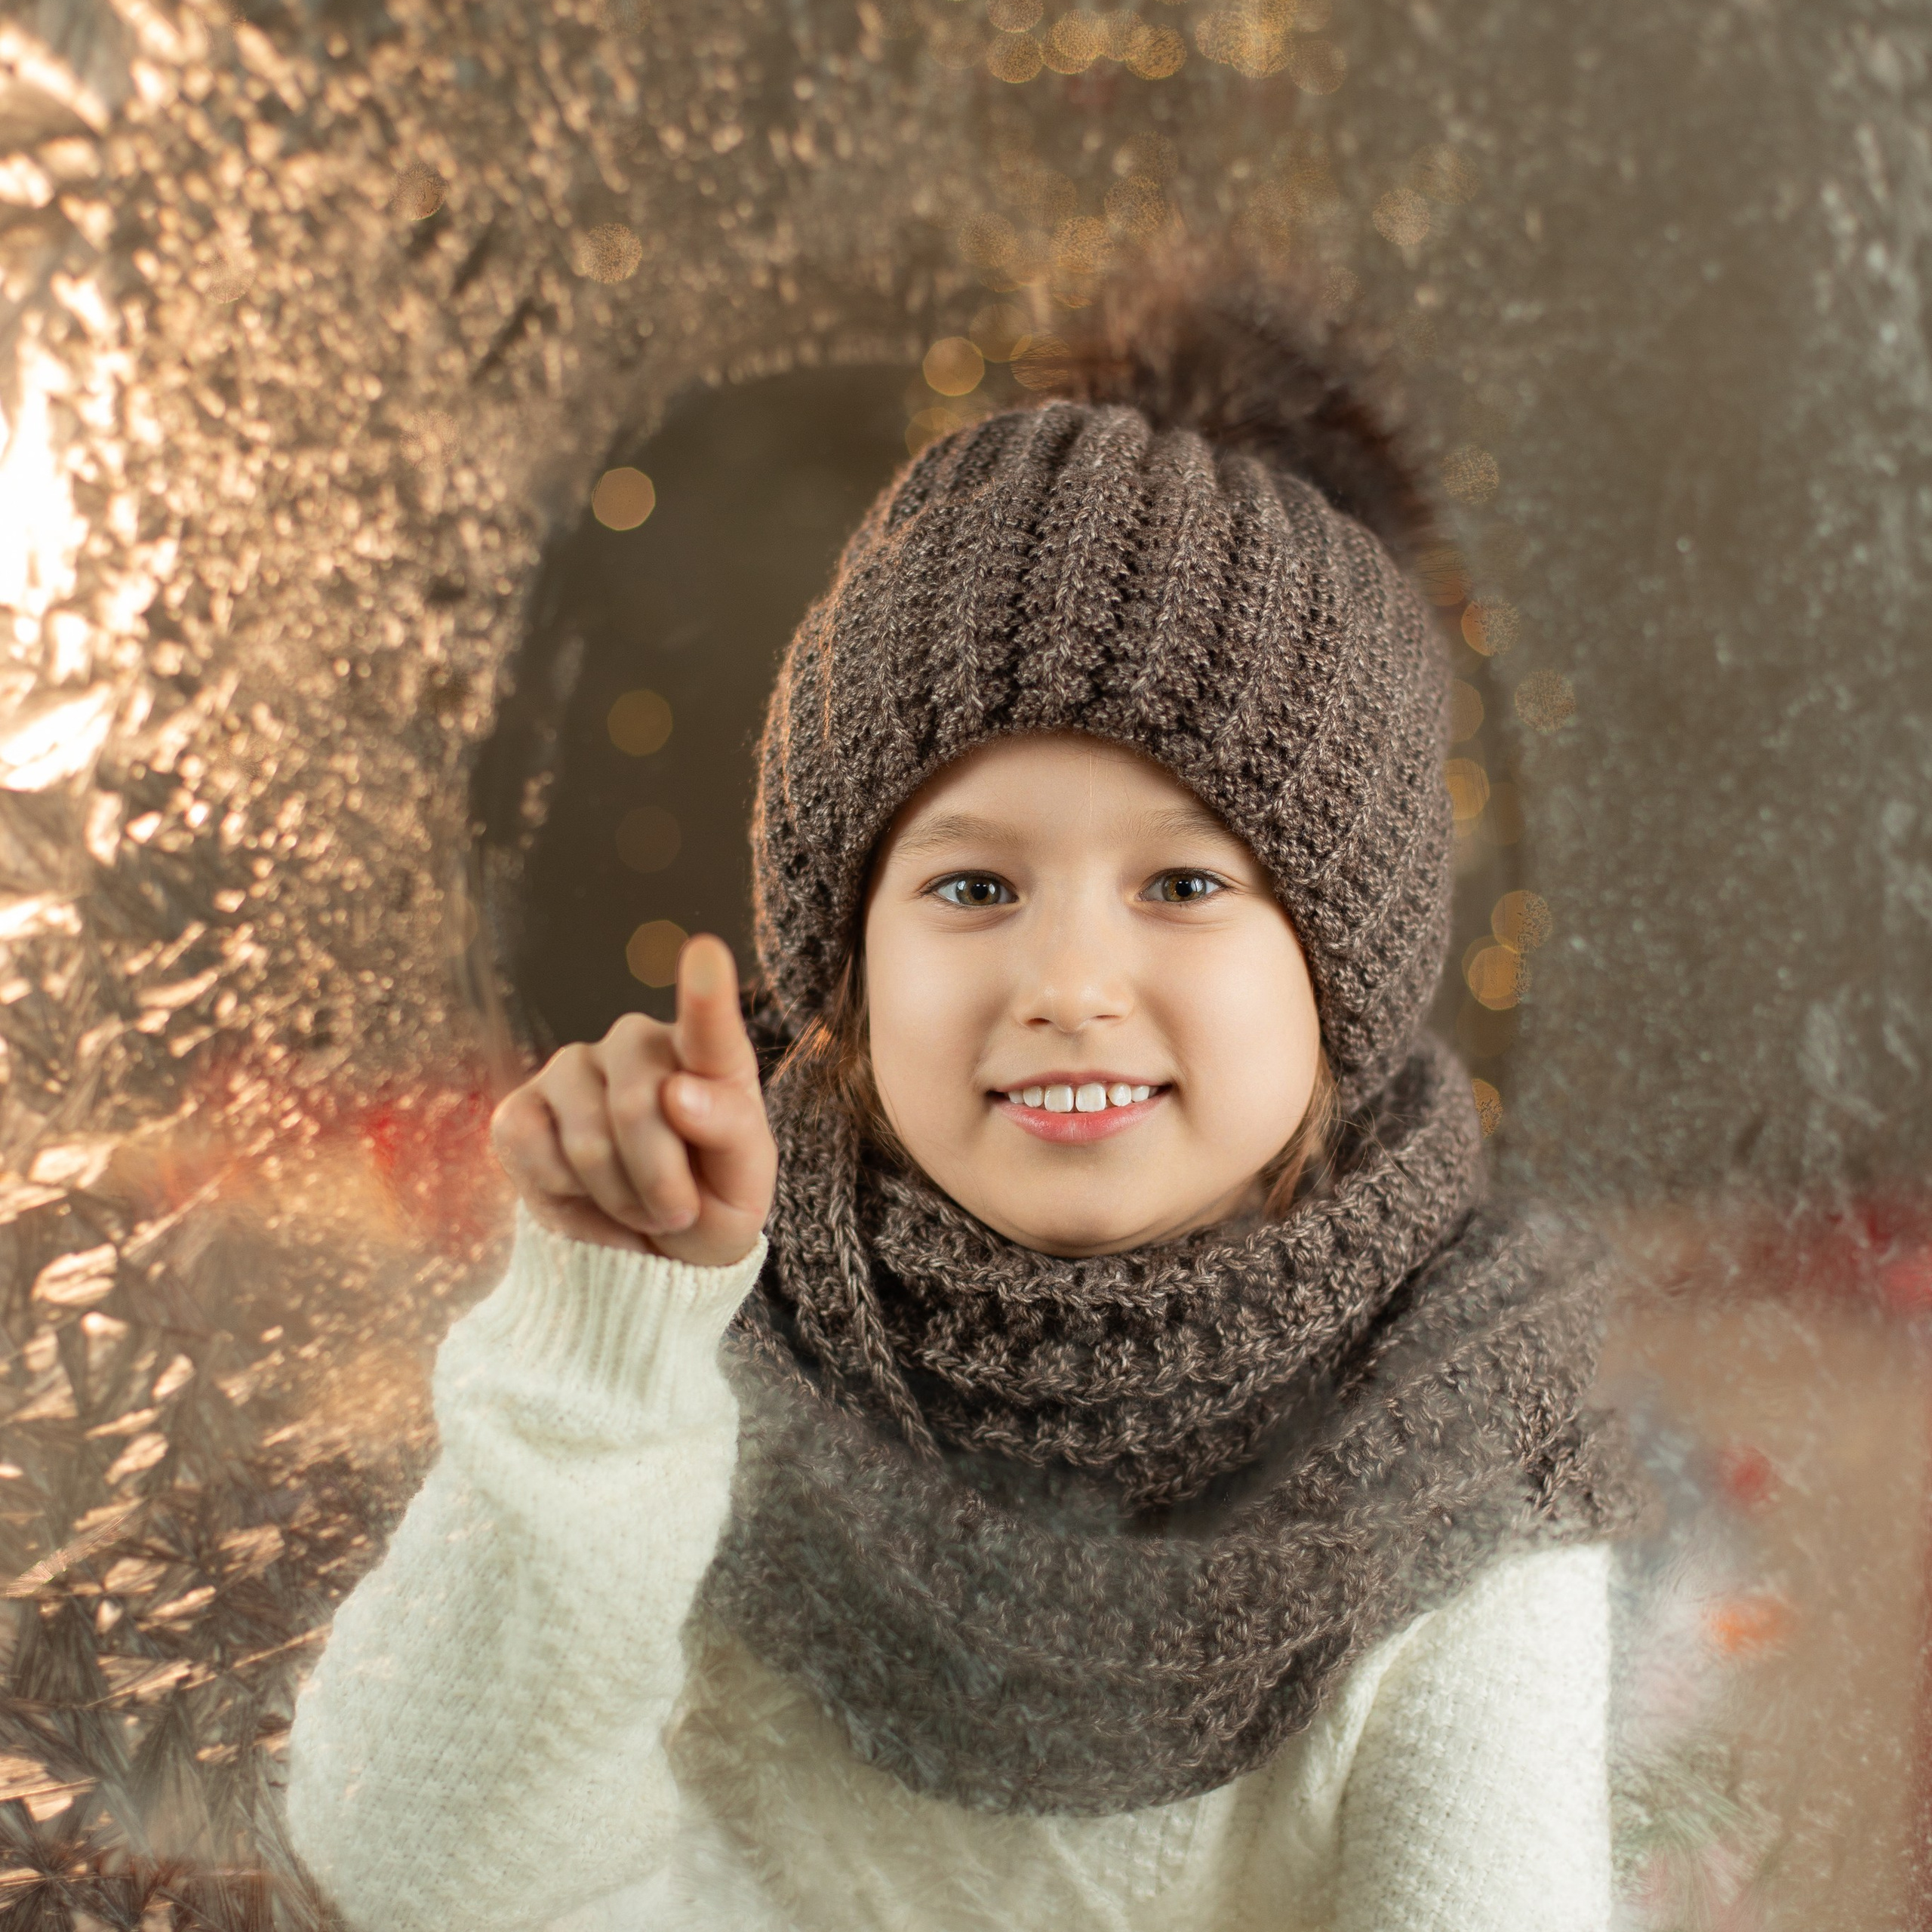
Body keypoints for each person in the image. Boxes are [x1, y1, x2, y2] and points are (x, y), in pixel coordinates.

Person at [285, 271, 1641, 1932]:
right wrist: (608, 1328)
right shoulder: (715, 1345)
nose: (1066, 977)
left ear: (1341, 971)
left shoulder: (1459, 1435)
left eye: (1185, 883)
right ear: (842, 966)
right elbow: (426, 1866)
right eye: (975, 887)